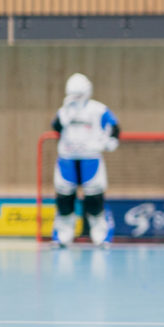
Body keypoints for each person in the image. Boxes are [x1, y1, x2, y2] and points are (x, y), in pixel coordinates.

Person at [50, 73, 120, 248]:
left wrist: (110, 141)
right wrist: (65, 114)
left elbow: (114, 126)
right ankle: (63, 235)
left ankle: (101, 235)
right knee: (64, 199)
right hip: (67, 159)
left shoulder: (98, 109)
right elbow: (56, 126)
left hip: (91, 159)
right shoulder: (65, 110)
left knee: (94, 199)